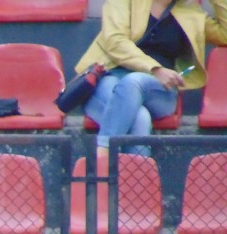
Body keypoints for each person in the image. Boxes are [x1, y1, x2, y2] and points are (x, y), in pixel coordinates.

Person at [78, 0, 227, 157]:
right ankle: (136, 180)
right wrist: (155, 69)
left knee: (133, 82)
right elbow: (115, 42)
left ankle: (103, 158)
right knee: (140, 118)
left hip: (159, 90)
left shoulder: (190, 12)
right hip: (111, 76)